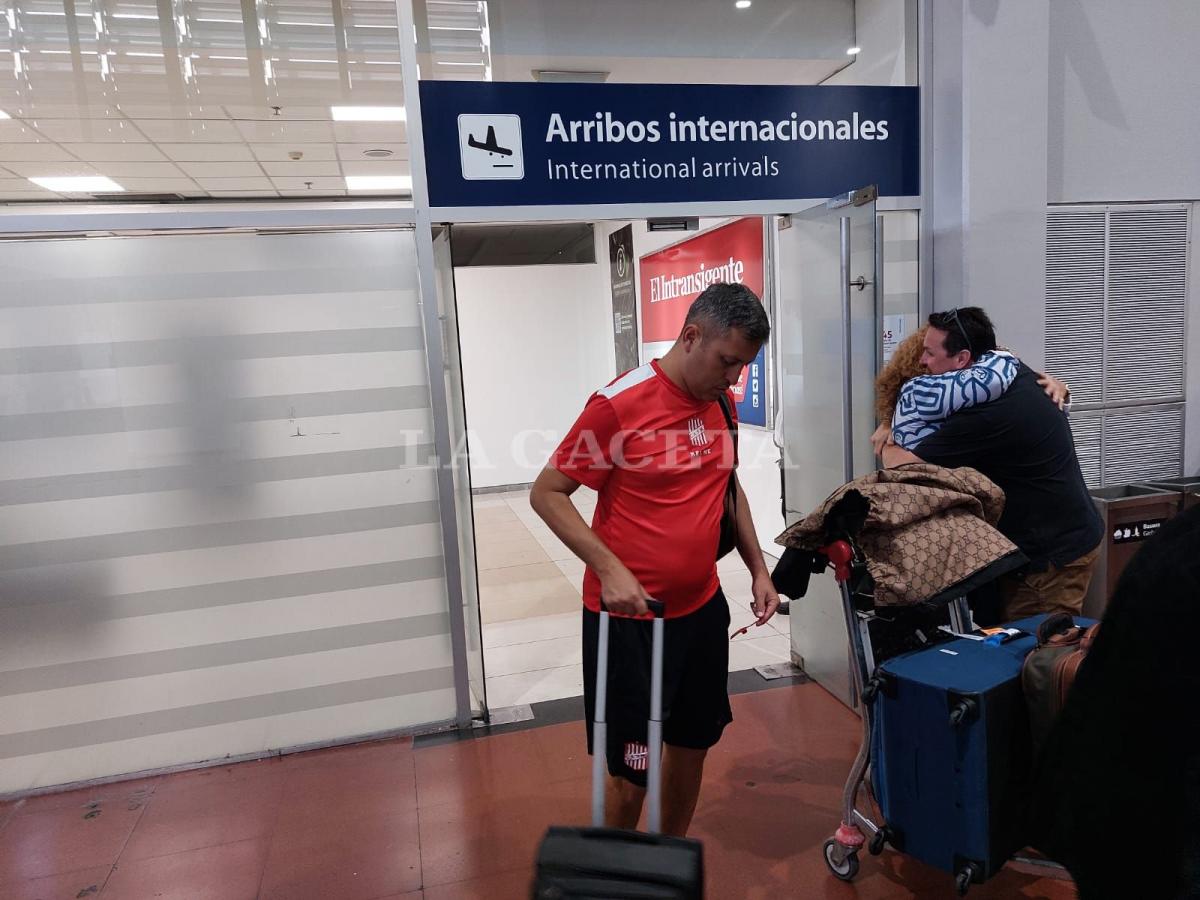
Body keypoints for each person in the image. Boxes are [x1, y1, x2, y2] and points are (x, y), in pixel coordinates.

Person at [530, 282, 781, 837]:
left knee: (692, 748)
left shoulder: (720, 401)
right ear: (691, 336)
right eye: (727, 362)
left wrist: (758, 569)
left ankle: (664, 866)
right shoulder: (618, 405)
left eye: (742, 366)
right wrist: (611, 569)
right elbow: (547, 493)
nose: (734, 377)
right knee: (633, 771)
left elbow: (727, 488)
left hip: (701, 613)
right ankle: (621, 880)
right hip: (631, 623)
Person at [881, 308, 1102, 619]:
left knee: (1036, 654)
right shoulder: (1007, 370)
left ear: (961, 360)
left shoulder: (983, 416)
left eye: (929, 353)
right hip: (1050, 537)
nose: (923, 362)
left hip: (1049, 559)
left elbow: (900, 466)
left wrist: (891, 433)